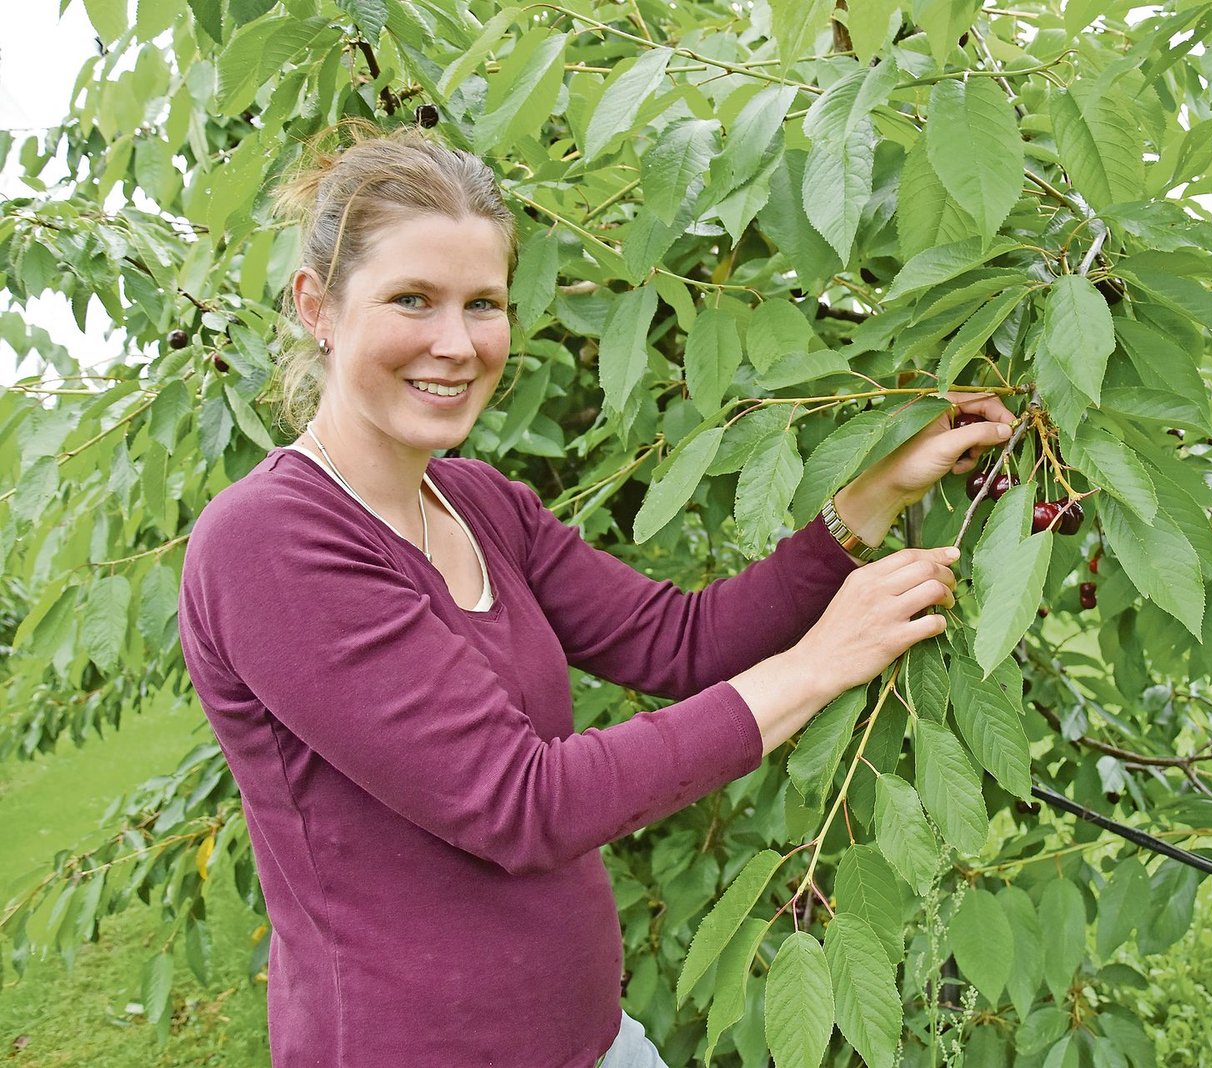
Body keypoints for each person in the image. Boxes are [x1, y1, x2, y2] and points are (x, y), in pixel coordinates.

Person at [176, 124, 1015, 1068]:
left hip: (597, 1042)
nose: (456, 344)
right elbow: (524, 803)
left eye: (483, 304)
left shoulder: (478, 501)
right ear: (317, 306)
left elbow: (682, 641)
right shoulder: (270, 542)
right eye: (412, 299)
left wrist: (870, 495)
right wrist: (818, 666)